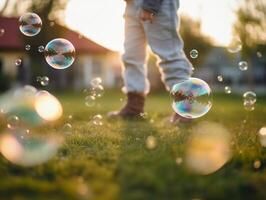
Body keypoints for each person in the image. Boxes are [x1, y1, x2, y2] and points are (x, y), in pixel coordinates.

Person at [108, 0, 193, 122]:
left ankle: (184, 109)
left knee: (168, 54)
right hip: (131, 4)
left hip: (158, 3)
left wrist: (150, 5)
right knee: (131, 56)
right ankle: (134, 107)